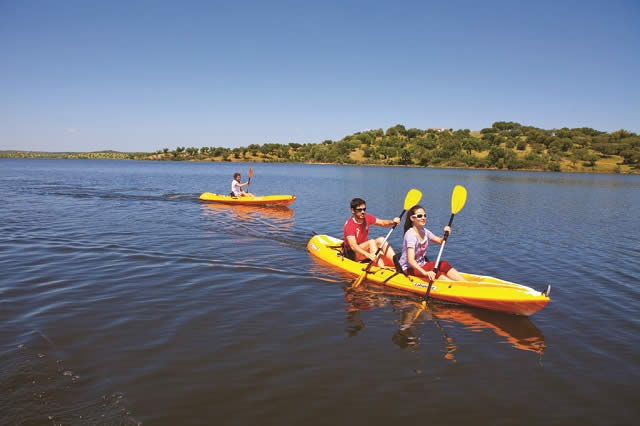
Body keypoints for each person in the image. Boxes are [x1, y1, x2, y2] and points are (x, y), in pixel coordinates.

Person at [397, 204, 463, 281]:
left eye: (425, 215)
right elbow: (411, 261)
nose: (423, 218)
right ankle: (453, 286)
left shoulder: (425, 231)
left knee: (444, 264)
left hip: (422, 264)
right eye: (419, 216)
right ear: (412, 218)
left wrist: (446, 234)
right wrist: (425, 273)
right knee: (435, 272)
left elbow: (441, 242)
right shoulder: (411, 235)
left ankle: (465, 283)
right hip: (408, 268)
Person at [343, 197, 400, 267]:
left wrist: (393, 222)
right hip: (352, 254)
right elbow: (353, 246)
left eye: (364, 209)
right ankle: (382, 268)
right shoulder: (349, 224)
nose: (363, 212)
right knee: (371, 242)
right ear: (353, 210)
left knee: (381, 239)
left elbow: (382, 222)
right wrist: (368, 255)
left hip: (363, 248)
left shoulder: (367, 217)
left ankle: (397, 265)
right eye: (359, 210)